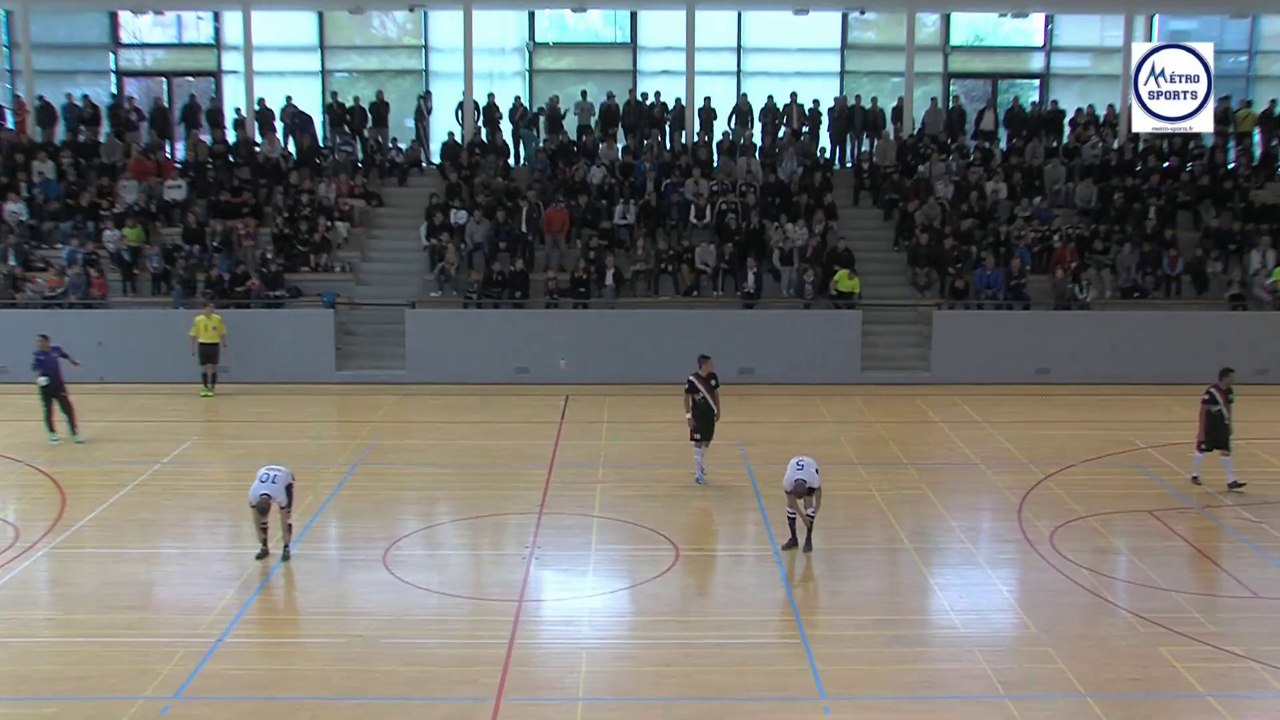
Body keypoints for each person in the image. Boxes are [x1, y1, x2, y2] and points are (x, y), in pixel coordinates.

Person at [1192, 366, 1246, 491]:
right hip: (1211, 426)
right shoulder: (1211, 391)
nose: (1234, 379)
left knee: (1226, 451)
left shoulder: (1230, 391)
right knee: (1201, 448)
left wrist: (1229, 423)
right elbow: (1203, 410)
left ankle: (1231, 481)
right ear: (1225, 378)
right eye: (1231, 377)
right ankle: (1195, 475)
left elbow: (1228, 407)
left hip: (1223, 425)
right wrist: (1201, 430)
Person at [32, 334, 82, 444]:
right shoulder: (37, 356)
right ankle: (52, 433)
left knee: (68, 409)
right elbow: (35, 370)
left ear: (47, 342)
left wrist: (73, 362)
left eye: (41, 341)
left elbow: (65, 355)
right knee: (48, 410)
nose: (39, 344)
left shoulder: (56, 349)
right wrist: (39, 379)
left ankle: (74, 433)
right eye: (37, 342)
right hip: (46, 388)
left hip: (59, 386)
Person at [683, 354, 721, 485]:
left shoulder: (713, 377)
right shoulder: (692, 380)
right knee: (698, 442)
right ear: (704, 365)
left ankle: (700, 463)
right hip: (698, 416)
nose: (713, 366)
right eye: (710, 364)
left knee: (707, 440)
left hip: (709, 415)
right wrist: (688, 416)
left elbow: (716, 394)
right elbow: (686, 398)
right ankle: (698, 474)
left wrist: (718, 410)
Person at [248, 464, 296, 561]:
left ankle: (286, 548)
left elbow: (284, 518)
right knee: (261, 521)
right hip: (264, 471)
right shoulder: (252, 496)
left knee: (286, 518)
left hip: (285, 476)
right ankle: (264, 547)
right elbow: (255, 520)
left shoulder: (280, 495)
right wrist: (260, 536)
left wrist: (286, 536)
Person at [781, 455, 822, 553]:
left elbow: (819, 495)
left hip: (811, 465)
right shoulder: (787, 481)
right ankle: (793, 539)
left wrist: (816, 510)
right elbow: (791, 499)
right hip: (795, 465)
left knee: (808, 504)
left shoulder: (813, 480)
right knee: (790, 506)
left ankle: (808, 539)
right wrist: (802, 516)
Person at [189, 302, 228, 397]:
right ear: (204, 309)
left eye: (212, 308)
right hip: (203, 344)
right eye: (209, 308)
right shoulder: (198, 320)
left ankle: (212, 387)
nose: (211, 310)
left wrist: (224, 344)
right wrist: (193, 347)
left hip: (214, 344)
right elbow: (194, 333)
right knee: (204, 367)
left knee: (214, 367)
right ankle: (205, 387)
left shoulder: (218, 319)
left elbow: (222, 332)